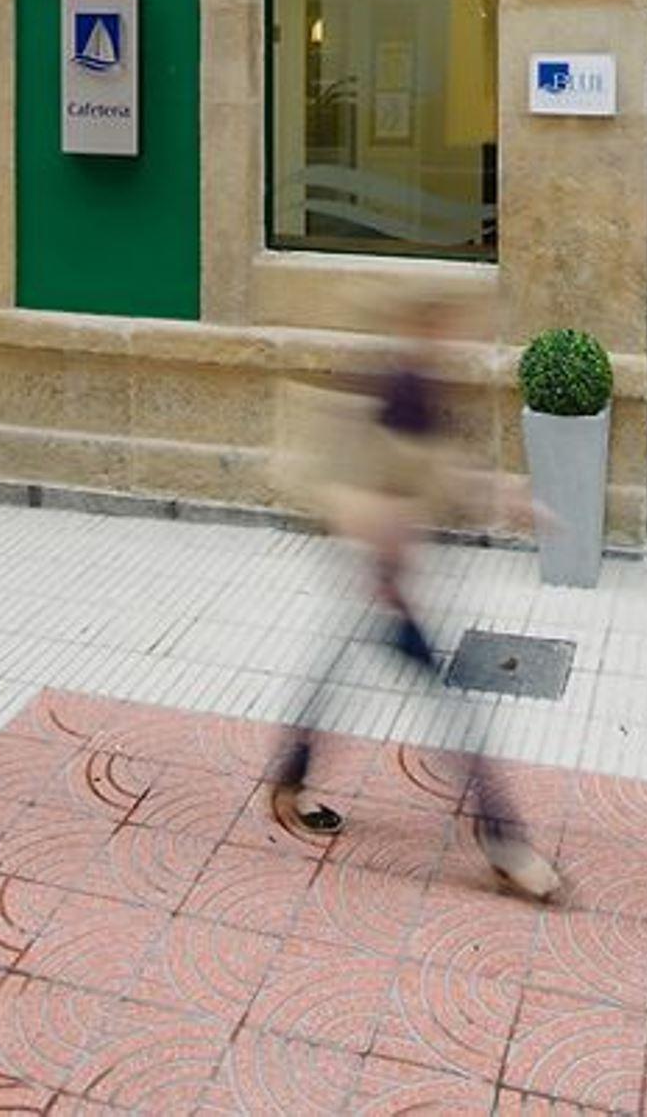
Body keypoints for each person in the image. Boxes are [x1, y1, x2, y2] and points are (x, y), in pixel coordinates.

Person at [270, 287, 561, 903]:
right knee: (453, 713)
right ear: (417, 326)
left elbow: (439, 471)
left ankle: (290, 775)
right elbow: (370, 479)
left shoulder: (419, 386)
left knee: (337, 677)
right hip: (383, 577)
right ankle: (504, 840)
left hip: (387, 576)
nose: (458, 335)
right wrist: (383, 539)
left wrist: (508, 499)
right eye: (447, 323)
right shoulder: (401, 390)